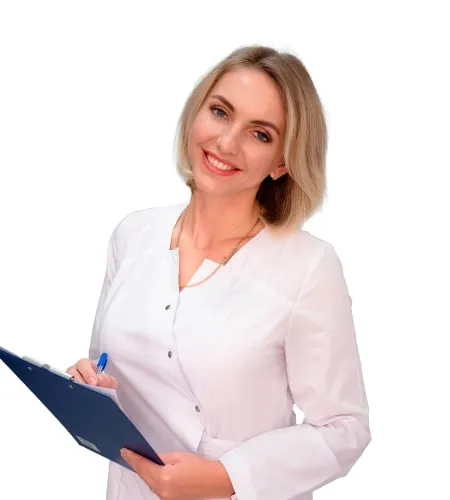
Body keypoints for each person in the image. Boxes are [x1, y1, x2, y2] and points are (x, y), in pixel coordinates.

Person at [68, 45, 371, 500]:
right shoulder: (133, 234)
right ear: (196, 113)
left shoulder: (308, 267)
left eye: (260, 134)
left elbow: (344, 428)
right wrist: (93, 386)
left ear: (283, 162)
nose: (226, 143)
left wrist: (225, 476)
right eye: (220, 112)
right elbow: (106, 361)